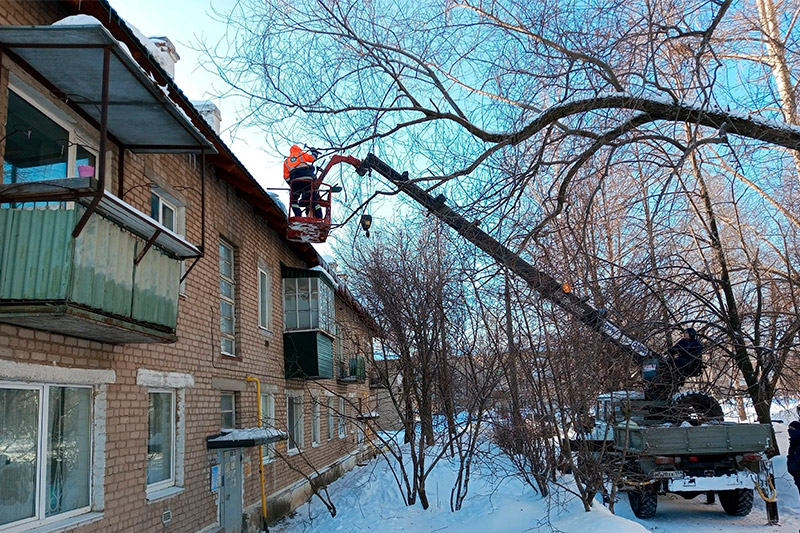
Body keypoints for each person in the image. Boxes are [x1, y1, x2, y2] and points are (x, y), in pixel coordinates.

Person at [283, 145, 323, 218]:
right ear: (299, 149)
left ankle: (298, 216)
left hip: (296, 181)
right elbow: (312, 158)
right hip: (307, 180)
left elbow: (286, 177)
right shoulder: (301, 154)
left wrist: (292, 185)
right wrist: (314, 152)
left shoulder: (286, 161)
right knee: (313, 199)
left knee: (294, 200)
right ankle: (319, 217)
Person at [787, 421, 800, 497]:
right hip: (796, 475)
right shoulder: (793, 441)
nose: (790, 430)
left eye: (792, 428)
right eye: (789, 428)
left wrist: (793, 466)